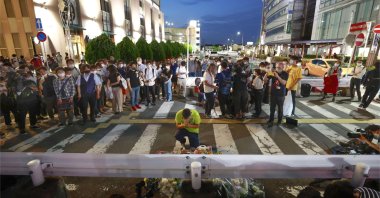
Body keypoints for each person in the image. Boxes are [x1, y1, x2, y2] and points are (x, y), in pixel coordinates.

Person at [265, 62, 288, 127]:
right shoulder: (273, 73)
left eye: (279, 67)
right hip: (273, 93)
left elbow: (284, 83)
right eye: (277, 67)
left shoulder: (285, 74)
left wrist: (277, 76)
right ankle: (271, 120)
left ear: (283, 68)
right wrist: (266, 73)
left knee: (280, 109)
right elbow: (265, 80)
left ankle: (279, 121)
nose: (277, 69)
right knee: (272, 108)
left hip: (281, 94)